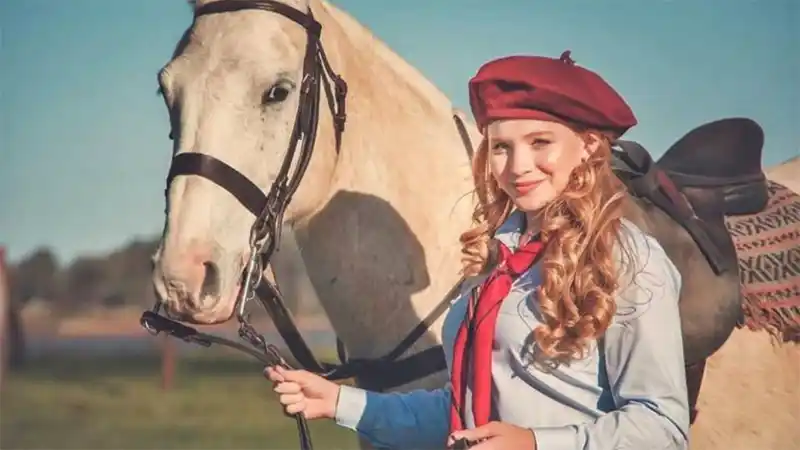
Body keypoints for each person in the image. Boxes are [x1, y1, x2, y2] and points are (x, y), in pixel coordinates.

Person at [265, 51, 690, 450]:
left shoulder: (628, 260)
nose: (517, 166)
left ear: (590, 146)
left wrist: (535, 443)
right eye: (501, 147)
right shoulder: (497, 260)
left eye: (540, 142)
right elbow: (462, 414)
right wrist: (340, 402)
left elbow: (662, 428)